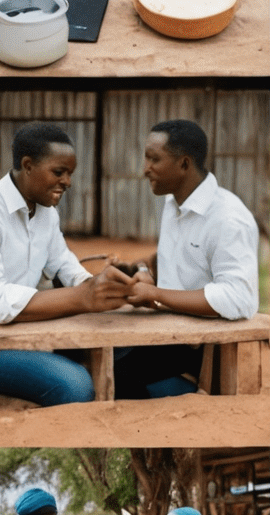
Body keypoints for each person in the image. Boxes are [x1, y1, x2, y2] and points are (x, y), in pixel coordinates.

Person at [0, 123, 136, 406]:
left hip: (18, 330)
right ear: (27, 165)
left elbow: (66, 266)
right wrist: (85, 296)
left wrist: (102, 283)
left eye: (70, 174)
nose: (68, 182)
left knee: (127, 350)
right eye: (59, 172)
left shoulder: (46, 213)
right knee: (75, 386)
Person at [104, 119, 260, 398]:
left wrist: (155, 293)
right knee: (91, 352)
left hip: (201, 346)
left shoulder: (228, 219)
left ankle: (189, 407)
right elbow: (178, 258)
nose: (144, 169)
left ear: (184, 164)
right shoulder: (174, 202)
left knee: (113, 373)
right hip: (168, 331)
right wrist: (140, 269)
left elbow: (238, 299)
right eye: (146, 158)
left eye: (154, 159)